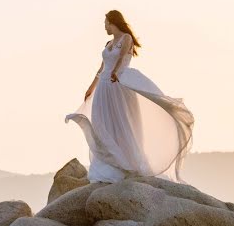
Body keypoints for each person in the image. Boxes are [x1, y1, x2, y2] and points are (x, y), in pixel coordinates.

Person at [64, 10, 195, 183]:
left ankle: (127, 164)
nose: (104, 27)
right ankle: (109, 164)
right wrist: (90, 88)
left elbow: (120, 59)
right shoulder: (108, 43)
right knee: (102, 122)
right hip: (103, 86)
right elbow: (101, 68)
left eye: (106, 23)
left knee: (121, 123)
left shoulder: (126, 38)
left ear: (112, 22)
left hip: (117, 86)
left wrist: (116, 72)